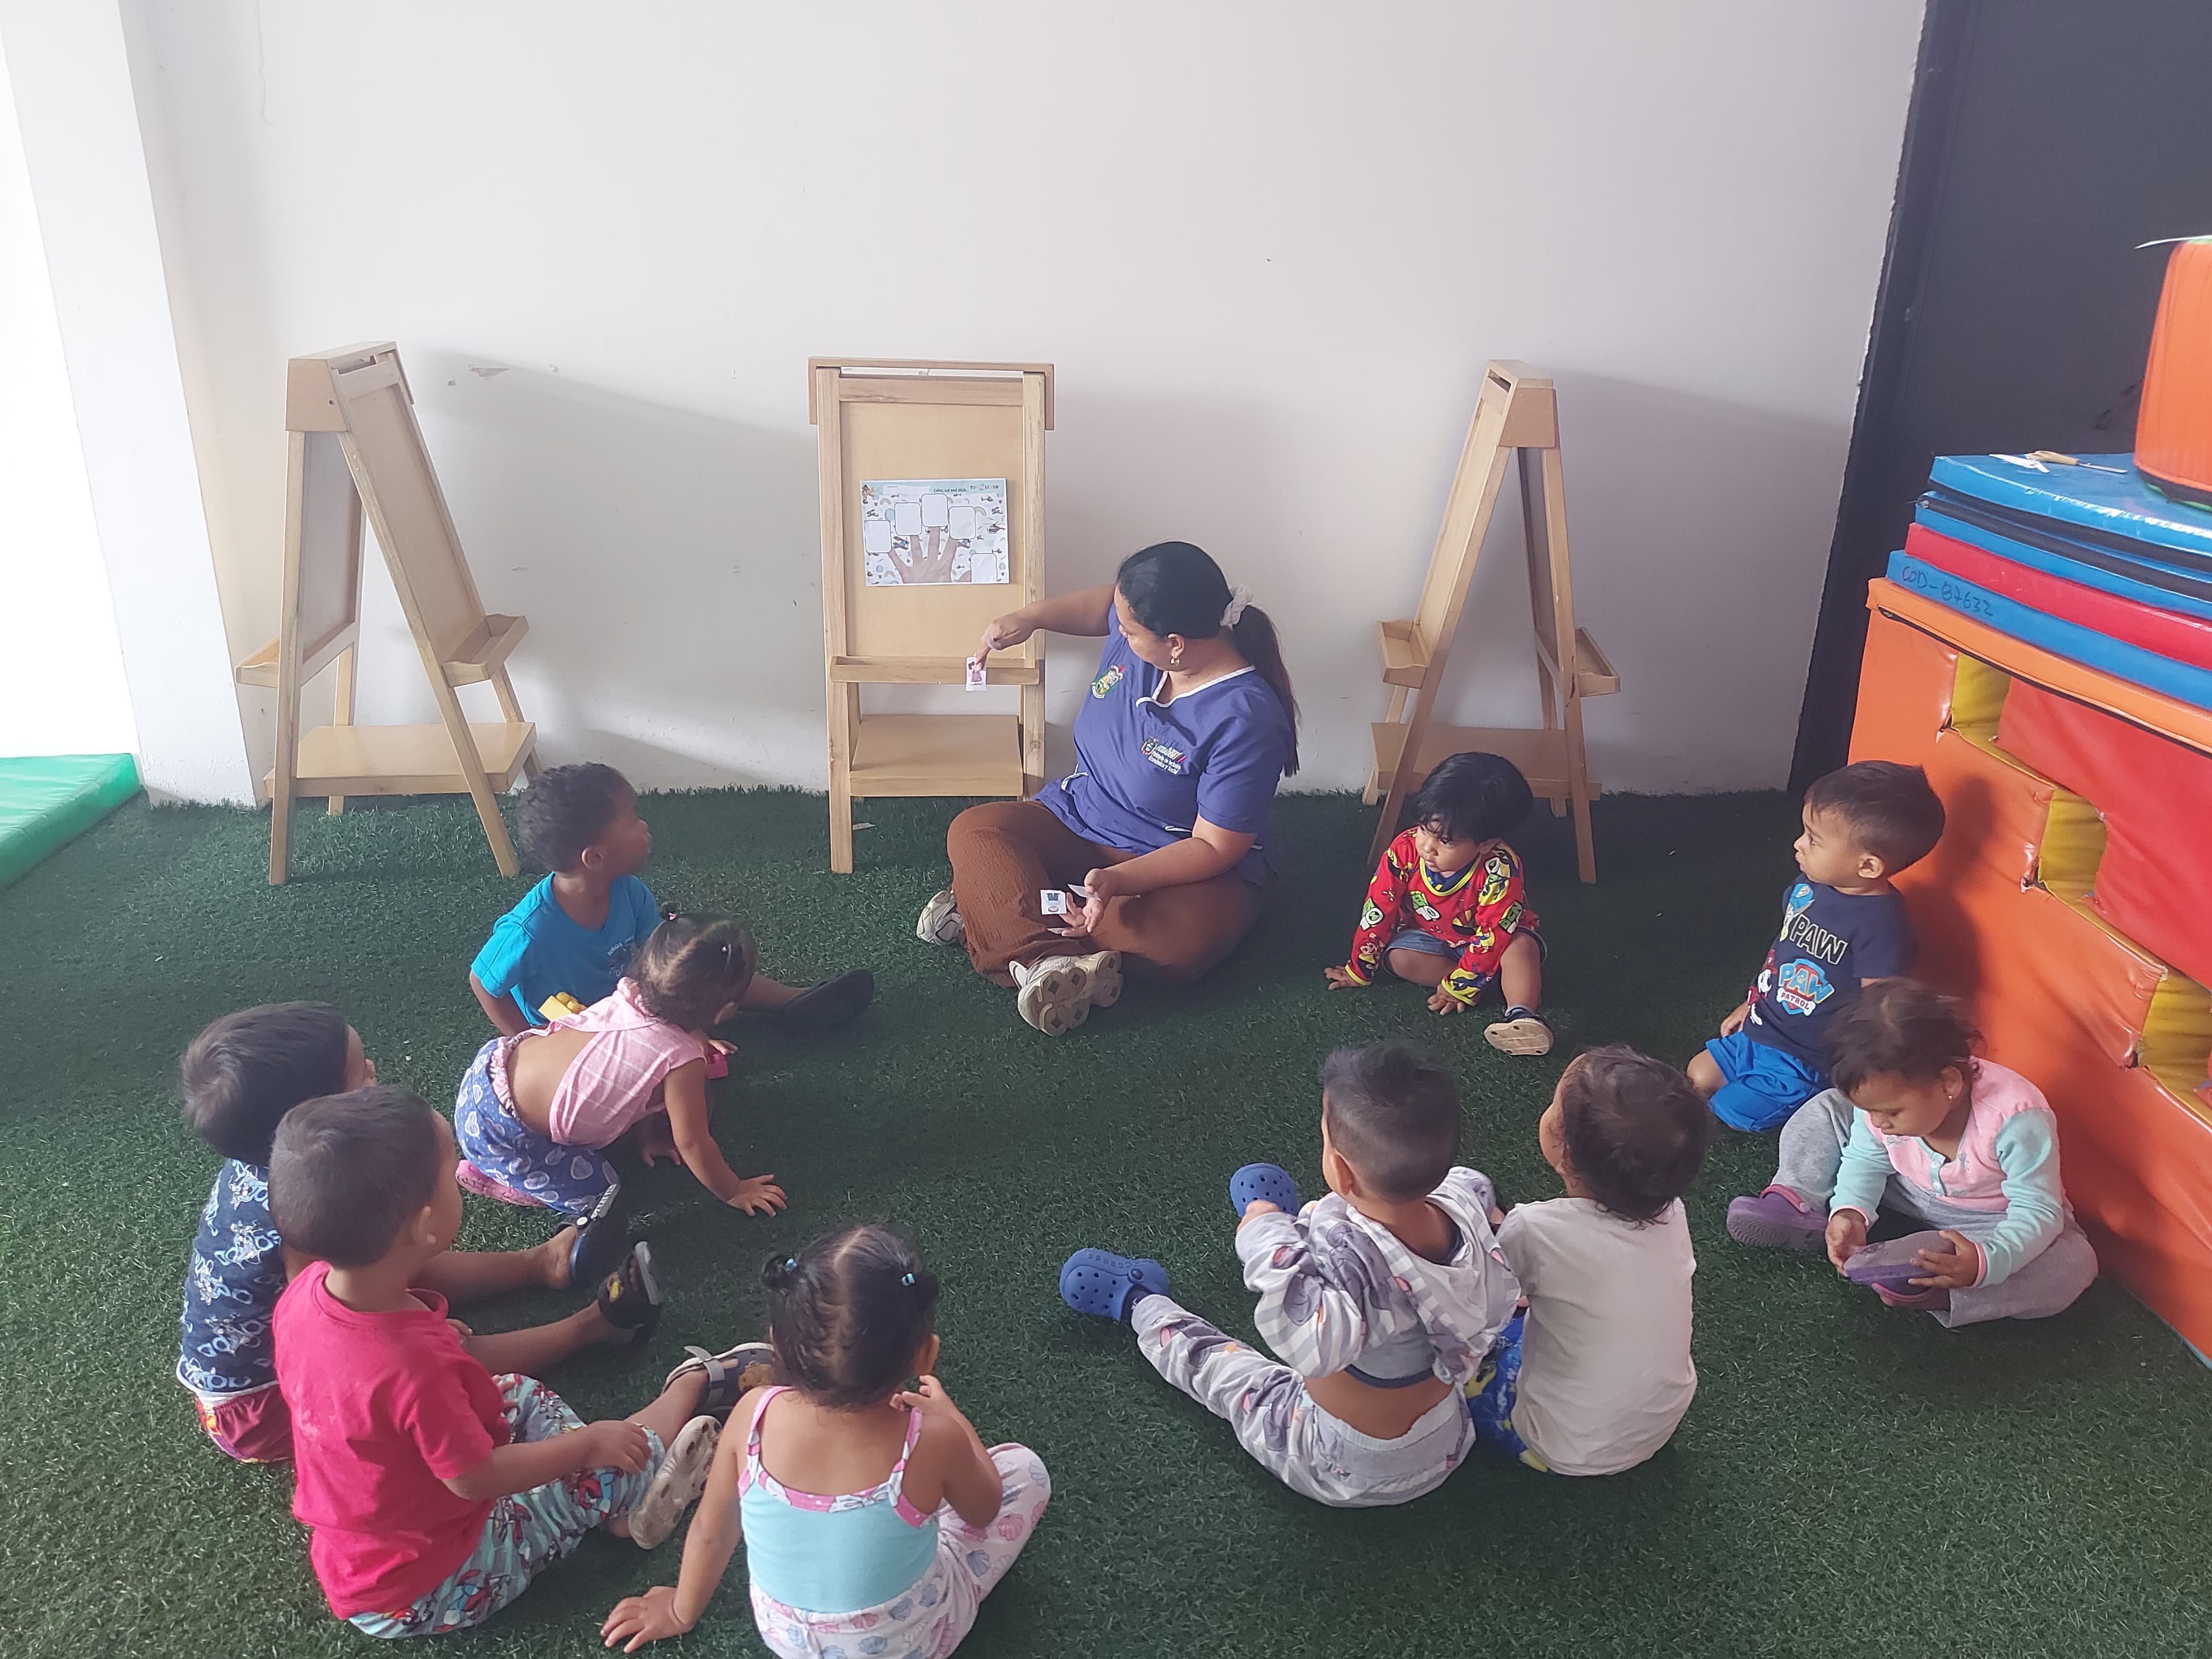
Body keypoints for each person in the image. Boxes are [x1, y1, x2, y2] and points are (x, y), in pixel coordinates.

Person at [269, 1086, 746, 1637]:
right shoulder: (414, 1370)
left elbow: (353, 1379)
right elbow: (475, 1479)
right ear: (424, 1224)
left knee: (515, 1391)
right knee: (595, 1466)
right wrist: (586, 1446)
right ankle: (680, 1405)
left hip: (370, 1549)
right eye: (451, 1176)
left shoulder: (305, 1293)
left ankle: (618, 1490)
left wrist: (433, 1338)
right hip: (435, 1582)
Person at [175, 1002, 652, 1465]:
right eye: (359, 1076)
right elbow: (333, 1324)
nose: (373, 1070)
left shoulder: (291, 1172)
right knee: (429, 1355)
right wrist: (415, 1325)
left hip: (309, 1307)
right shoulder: (299, 1224)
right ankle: (586, 1330)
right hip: (262, 1408)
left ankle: (541, 1264)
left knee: (393, 1253)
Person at [1058, 1041, 1520, 1507]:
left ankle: (1139, 1303)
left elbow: (1306, 1339)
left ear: (1341, 1170)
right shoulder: (1463, 1200)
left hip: (1344, 1465)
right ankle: (1296, 1234)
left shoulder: (1355, 1276)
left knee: (1226, 1374)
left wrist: (1263, 1229)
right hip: (1446, 1441)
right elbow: (1479, 1191)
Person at [601, 1225, 1051, 1656]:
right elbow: (984, 1511)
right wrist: (952, 1417)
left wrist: (680, 1611)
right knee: (1023, 1469)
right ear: (925, 1356)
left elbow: (711, 1531)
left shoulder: (753, 1413)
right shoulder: (933, 1437)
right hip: (913, 1644)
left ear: (777, 1344)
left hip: (788, 1640)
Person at [916, 541, 1298, 1035]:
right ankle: (1046, 962)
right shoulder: (1145, 634)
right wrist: (1030, 618)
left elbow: (1214, 846)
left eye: (1130, 630)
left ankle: (998, 910)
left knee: (1173, 947)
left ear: (1175, 643)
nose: (1119, 630)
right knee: (976, 829)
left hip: (1178, 865)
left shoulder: (1246, 718)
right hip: (1079, 815)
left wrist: (1119, 880)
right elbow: (1106, 606)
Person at [1724, 980, 2098, 1327]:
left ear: (1949, 1083)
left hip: (1989, 1219)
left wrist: (1988, 1261)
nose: (1878, 1122)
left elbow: (2037, 1209)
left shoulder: (2016, 1117)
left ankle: (1935, 1288)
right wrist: (1851, 1211)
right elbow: (1865, 1159)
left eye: (1891, 1112)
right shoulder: (1883, 1111)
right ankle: (1797, 1201)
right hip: (1904, 1187)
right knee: (1826, 1107)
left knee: (2075, 1262)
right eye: (1869, 1110)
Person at [468, 762, 873, 1038]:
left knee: (703, 963)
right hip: (579, 1032)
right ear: (595, 858)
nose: (644, 825)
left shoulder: (629, 892)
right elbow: (484, 984)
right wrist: (530, 1038)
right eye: (632, 818)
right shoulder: (530, 930)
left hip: (631, 1004)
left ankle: (794, 1001)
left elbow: (661, 964)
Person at [1467, 1047, 1708, 1475]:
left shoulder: (1534, 1229)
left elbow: (1478, 1307)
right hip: (1659, 1425)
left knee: (1469, 1354)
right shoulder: (1672, 1212)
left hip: (1560, 1444)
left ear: (1564, 1151)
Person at [454, 912, 787, 1219]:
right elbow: (693, 1143)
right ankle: (505, 1180)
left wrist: (647, 1138)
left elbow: (637, 1079)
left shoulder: (628, 994)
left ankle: (499, 1164)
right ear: (724, 1012)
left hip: (487, 1073)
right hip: (507, 1136)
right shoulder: (682, 1059)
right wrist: (735, 1190)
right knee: (602, 1194)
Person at [1687, 760, 1943, 1131]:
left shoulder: (1882, 925)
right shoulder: (1809, 886)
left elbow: (1877, 1007)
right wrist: (1752, 1002)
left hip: (1806, 1057)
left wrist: (1857, 1071)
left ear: (1868, 866)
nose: (1799, 844)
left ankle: (1809, 1096)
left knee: (1734, 1111)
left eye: (1814, 839)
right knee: (1698, 1073)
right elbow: (1783, 950)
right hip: (1761, 1026)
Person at [1325, 750, 1551, 1055]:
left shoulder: (1501, 869)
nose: (1427, 847)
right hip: (1431, 937)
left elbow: (1493, 935)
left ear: (1486, 843)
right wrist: (1359, 970)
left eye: (1445, 841)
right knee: (1399, 959)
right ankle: (1494, 985)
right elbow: (1378, 909)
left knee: (1522, 948)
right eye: (1423, 829)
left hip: (1495, 940)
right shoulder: (1404, 850)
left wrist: (1460, 986)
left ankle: (1521, 1014)